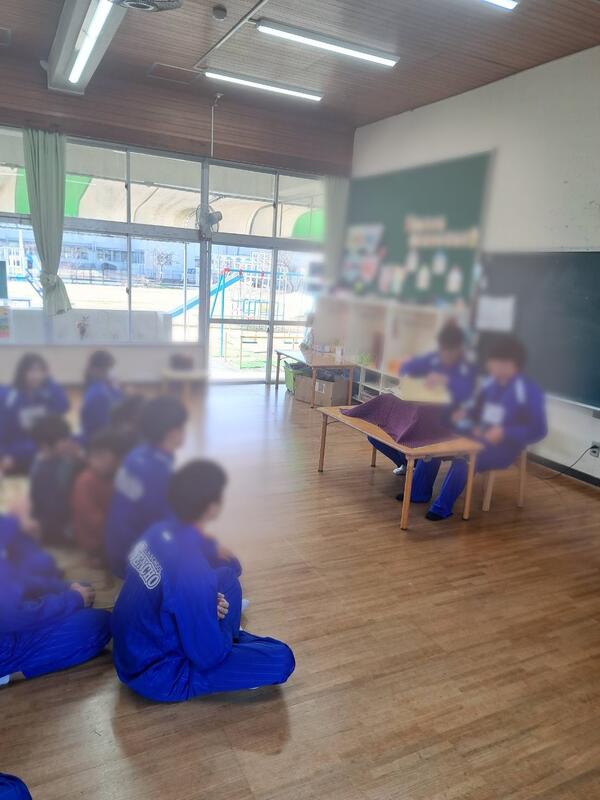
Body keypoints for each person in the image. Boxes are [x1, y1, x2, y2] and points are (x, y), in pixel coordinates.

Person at [112, 460, 295, 702]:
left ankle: (223, 632)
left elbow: (169, 587)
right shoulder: (192, 569)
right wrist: (214, 619)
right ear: (212, 508)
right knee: (281, 659)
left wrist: (205, 603)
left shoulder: (156, 531)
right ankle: (230, 637)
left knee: (227, 578)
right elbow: (209, 656)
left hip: (130, 650)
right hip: (161, 674)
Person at [407, 334, 547, 521]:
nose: (491, 367)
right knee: (435, 447)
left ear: (512, 364)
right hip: (478, 435)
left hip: (504, 446)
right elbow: (477, 409)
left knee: (465, 458)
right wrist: (465, 413)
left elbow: (538, 428)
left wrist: (505, 432)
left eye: (496, 363)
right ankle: (417, 493)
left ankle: (442, 507)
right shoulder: (491, 383)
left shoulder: (528, 390)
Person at [0, 514, 111, 685]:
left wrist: (64, 588)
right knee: (99, 624)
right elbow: (16, 615)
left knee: (83, 589)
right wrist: (74, 599)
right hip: (9, 645)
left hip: (12, 622)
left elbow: (17, 580)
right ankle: (9, 672)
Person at [368, 322, 477, 474]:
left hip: (446, 423)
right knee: (376, 435)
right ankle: (407, 464)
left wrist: (447, 381)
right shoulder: (434, 358)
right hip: (421, 415)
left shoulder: (467, 367)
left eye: (450, 350)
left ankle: (416, 480)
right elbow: (407, 367)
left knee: (428, 449)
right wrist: (419, 374)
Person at [104, 395, 188, 578]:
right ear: (172, 432)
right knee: (227, 566)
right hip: (133, 560)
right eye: (183, 427)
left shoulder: (138, 453)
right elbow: (164, 525)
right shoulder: (156, 471)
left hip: (117, 548)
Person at [71, 429, 132, 567]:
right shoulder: (85, 481)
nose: (96, 462)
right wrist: (121, 533)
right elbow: (93, 521)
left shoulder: (119, 477)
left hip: (117, 534)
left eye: (103, 457)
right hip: (97, 542)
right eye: (95, 456)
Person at [0, 354, 69, 474]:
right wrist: (4, 454)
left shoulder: (47, 394)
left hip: (46, 450)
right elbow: (3, 430)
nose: (36, 375)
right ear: (22, 373)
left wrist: (49, 381)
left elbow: (64, 406)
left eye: (40, 371)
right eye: (31, 371)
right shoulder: (10, 397)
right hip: (17, 452)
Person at [29, 415, 83, 547]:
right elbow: (52, 505)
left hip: (55, 518)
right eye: (63, 440)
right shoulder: (44, 470)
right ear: (45, 445)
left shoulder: (56, 459)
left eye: (68, 438)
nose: (68, 442)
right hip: (56, 524)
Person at [80, 350, 123, 443]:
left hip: (102, 435)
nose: (112, 372)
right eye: (110, 368)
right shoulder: (99, 394)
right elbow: (105, 425)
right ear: (100, 370)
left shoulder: (103, 386)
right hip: (100, 441)